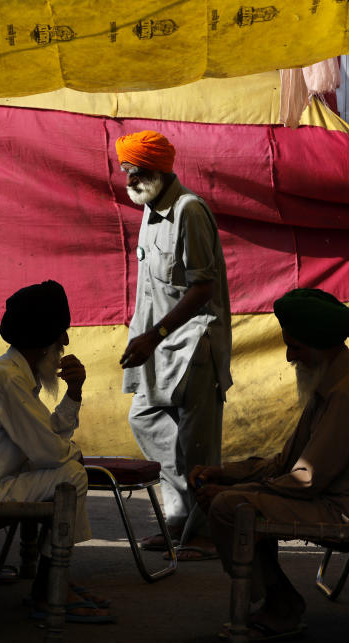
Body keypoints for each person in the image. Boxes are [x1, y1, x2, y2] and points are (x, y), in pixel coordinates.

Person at [191, 288, 349, 640]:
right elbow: (284, 464)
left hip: (347, 510)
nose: (289, 357)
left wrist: (235, 490)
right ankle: (278, 600)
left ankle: (280, 605)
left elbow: (305, 480)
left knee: (228, 507)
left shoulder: (346, 390)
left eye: (296, 348)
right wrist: (225, 473)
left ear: (322, 346)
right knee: (237, 500)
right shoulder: (331, 381)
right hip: (329, 498)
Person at [0, 280, 113, 623]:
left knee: (69, 467)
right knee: (71, 475)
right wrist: (71, 455)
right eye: (60, 333)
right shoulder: (7, 379)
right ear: (43, 339)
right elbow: (51, 454)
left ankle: (52, 580)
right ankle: (49, 587)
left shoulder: (13, 375)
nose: (65, 342)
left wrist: (73, 393)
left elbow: (47, 438)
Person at [116, 130, 232, 561]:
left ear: (161, 170)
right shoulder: (148, 208)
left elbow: (202, 288)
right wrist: (143, 337)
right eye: (126, 170)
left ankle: (201, 534)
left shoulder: (190, 211)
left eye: (137, 170)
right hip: (156, 345)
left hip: (192, 345)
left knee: (199, 446)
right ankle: (183, 521)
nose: (129, 178)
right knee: (145, 419)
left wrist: (155, 335)